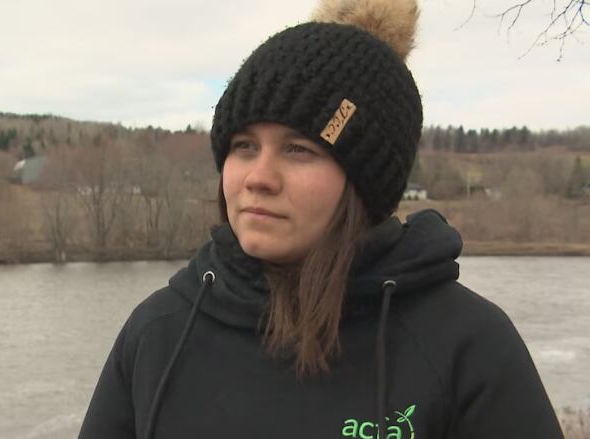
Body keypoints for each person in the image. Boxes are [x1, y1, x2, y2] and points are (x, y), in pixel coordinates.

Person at [79, 0, 564, 437]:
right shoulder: (158, 335)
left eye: (298, 149)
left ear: (364, 181)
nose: (258, 177)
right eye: (244, 146)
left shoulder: (466, 345)